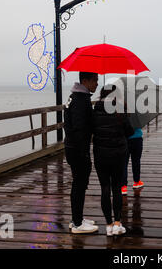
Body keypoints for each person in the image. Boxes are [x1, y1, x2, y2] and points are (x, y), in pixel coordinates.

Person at [92, 85, 134, 236]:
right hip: (118, 154)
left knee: (104, 188)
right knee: (117, 188)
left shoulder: (95, 110)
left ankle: (108, 225)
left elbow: (91, 130)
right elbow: (130, 132)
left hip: (100, 155)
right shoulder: (120, 110)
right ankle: (117, 223)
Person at [63, 72, 99, 234]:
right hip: (78, 148)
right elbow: (79, 127)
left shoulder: (75, 96)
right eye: (94, 80)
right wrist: (83, 151)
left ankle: (76, 217)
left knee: (79, 184)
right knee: (79, 184)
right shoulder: (79, 99)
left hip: (72, 147)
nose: (97, 84)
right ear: (85, 81)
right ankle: (77, 224)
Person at [121, 127, 144, 195]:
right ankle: (136, 182)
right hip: (137, 139)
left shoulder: (122, 116)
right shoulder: (136, 117)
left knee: (124, 163)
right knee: (136, 161)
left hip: (125, 139)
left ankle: (123, 186)